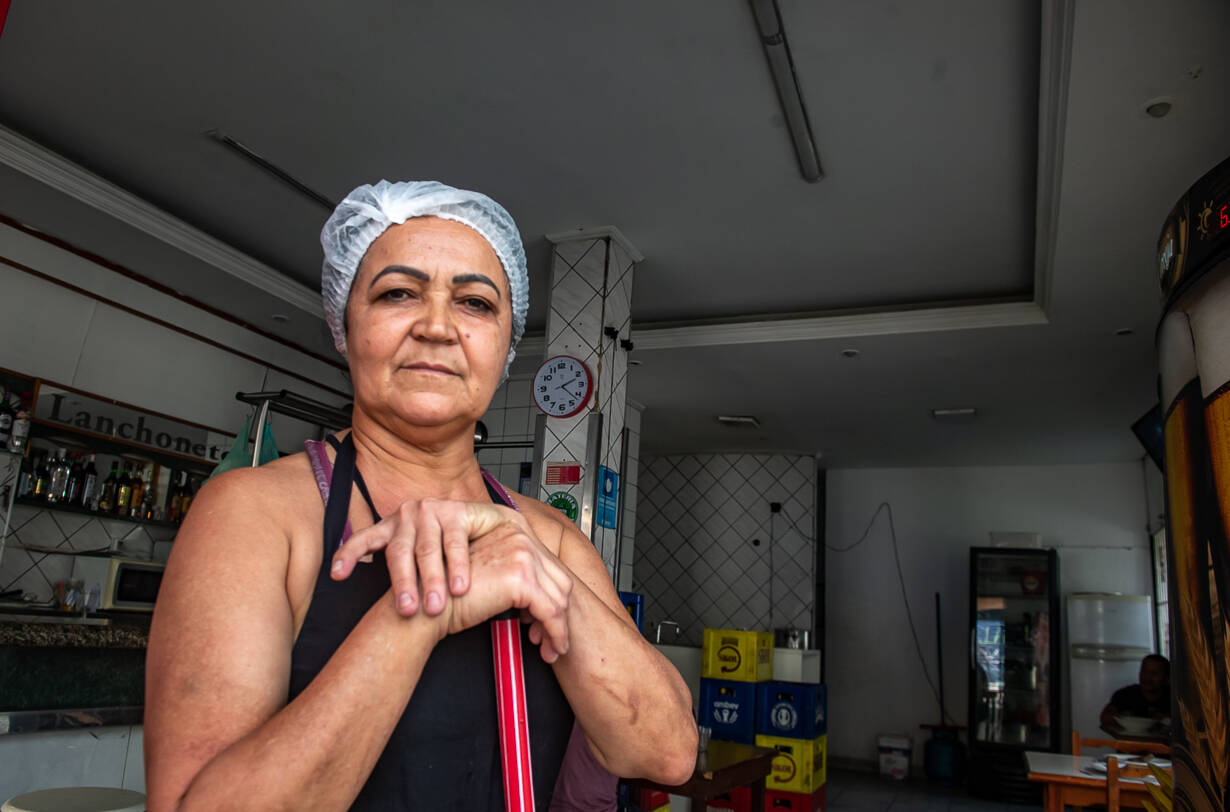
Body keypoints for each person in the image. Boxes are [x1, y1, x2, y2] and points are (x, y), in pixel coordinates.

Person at [144, 180, 697, 810]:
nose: (437, 326)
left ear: (505, 347)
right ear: (344, 325)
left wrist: (545, 577)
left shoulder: (549, 539)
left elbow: (668, 752)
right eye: (398, 293)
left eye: (475, 304)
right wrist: (421, 614)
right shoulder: (256, 515)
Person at [1099, 654, 1171, 729]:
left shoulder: (1174, 699)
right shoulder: (1126, 694)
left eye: (1154, 673)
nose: (1147, 677)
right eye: (1144, 671)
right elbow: (1104, 717)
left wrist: (1166, 720)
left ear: (1166, 678)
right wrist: (1123, 719)